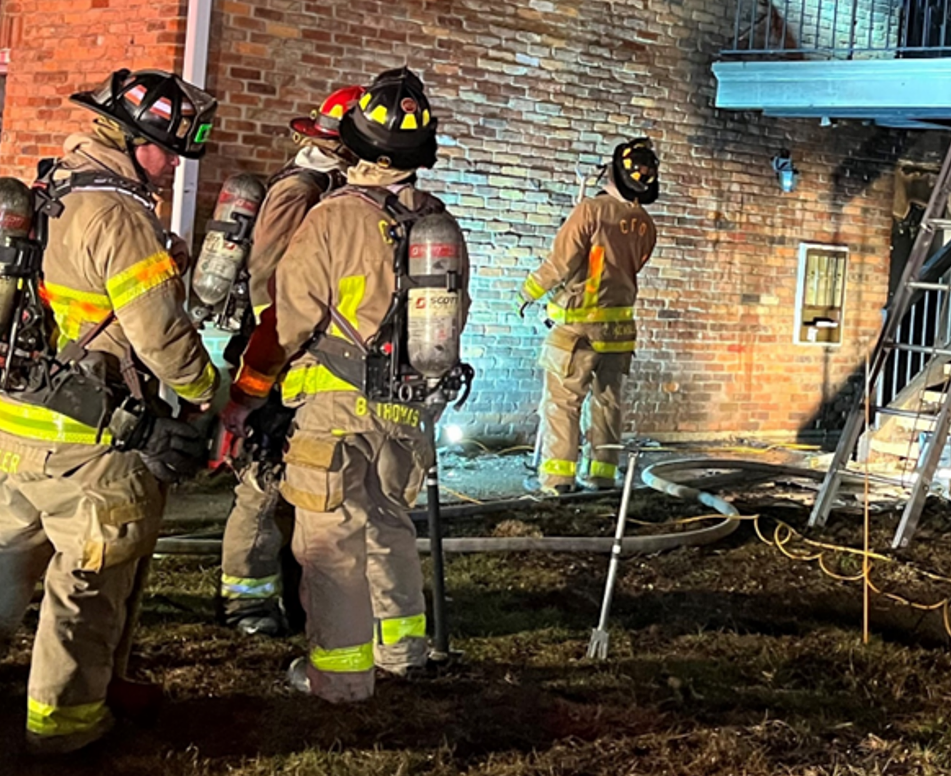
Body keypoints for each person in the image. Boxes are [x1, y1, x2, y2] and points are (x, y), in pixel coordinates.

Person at [0, 68, 222, 756]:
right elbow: (160, 335)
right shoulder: (118, 215)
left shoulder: (50, 189)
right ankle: (65, 728)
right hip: (89, 448)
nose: (173, 164)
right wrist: (207, 392)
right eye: (166, 149)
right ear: (135, 139)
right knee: (86, 590)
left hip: (10, 428)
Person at [227, 66, 467, 703]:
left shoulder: (332, 218)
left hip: (332, 407)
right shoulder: (439, 226)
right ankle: (402, 652)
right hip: (406, 410)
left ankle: (339, 680)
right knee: (389, 526)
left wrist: (247, 394)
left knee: (330, 542)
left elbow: (288, 318)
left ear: (353, 145)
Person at [216, 83, 360, 636]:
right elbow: (268, 285)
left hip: (304, 359)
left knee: (299, 486)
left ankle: (297, 598)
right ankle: (245, 602)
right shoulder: (299, 191)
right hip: (277, 354)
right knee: (263, 481)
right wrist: (274, 366)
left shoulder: (327, 187)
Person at [520, 137, 660, 496]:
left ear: (612, 172)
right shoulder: (645, 224)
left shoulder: (590, 211)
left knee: (562, 402)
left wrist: (527, 293)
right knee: (608, 402)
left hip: (578, 328)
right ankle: (601, 474)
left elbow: (561, 263)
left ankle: (557, 479)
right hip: (620, 330)